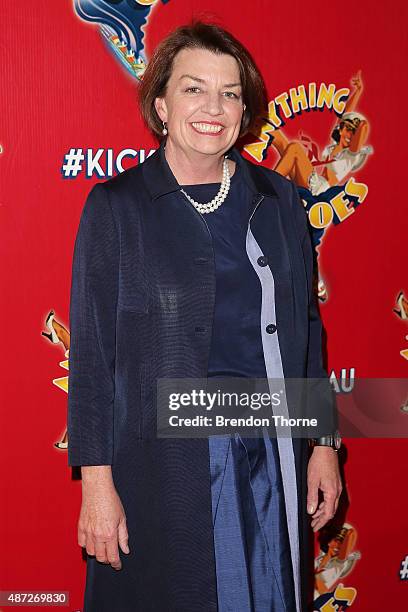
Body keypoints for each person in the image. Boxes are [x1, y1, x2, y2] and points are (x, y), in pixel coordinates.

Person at [67, 21, 342, 612]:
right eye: (194, 89)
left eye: (230, 93)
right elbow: (91, 355)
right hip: (165, 465)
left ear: (245, 114)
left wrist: (322, 443)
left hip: (272, 456)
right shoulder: (117, 208)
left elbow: (307, 331)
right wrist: (95, 483)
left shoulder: (280, 200)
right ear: (161, 104)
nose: (213, 108)